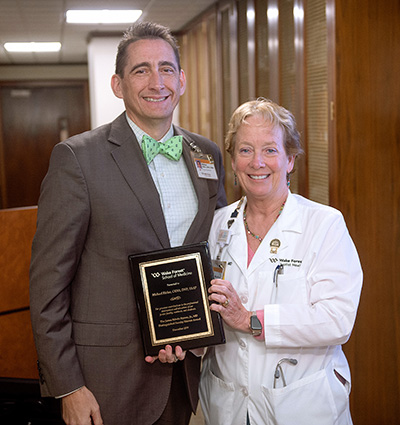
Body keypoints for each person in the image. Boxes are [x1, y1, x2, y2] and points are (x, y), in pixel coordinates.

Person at [29, 21, 226, 425]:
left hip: (181, 372)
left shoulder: (205, 155)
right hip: (104, 383)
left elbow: (215, 252)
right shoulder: (78, 159)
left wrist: (201, 332)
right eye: (141, 70)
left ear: (182, 80)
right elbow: (48, 285)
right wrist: (67, 386)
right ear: (118, 84)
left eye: (167, 69)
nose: (157, 82)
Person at [199, 98, 362, 425]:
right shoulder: (217, 224)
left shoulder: (324, 224)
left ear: (290, 160)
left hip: (301, 404)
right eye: (245, 150)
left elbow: (337, 319)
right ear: (232, 161)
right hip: (229, 405)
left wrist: (250, 320)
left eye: (270, 150)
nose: (257, 162)